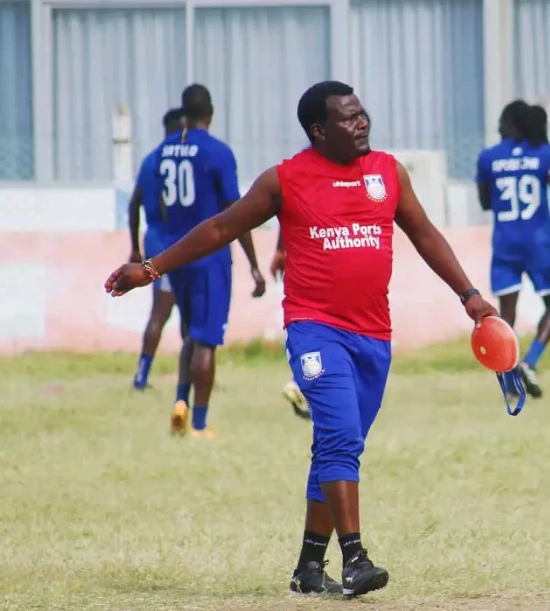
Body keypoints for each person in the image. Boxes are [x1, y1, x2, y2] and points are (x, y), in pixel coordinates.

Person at [104, 80, 498, 597]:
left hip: (374, 335)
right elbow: (221, 228)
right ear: (319, 130)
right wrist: (151, 268)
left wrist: (468, 294)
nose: (361, 123)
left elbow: (425, 233)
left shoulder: (387, 173)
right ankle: (355, 558)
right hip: (315, 330)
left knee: (339, 447)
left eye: (362, 114)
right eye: (347, 117)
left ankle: (309, 570)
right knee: (338, 439)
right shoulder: (284, 180)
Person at [158, 84, 266, 437]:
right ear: (211, 113)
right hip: (209, 257)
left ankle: (180, 402)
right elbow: (236, 213)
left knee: (191, 332)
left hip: (176, 254)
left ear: (184, 112)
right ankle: (200, 424)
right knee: (207, 340)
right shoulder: (218, 152)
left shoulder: (164, 151)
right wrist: (252, 263)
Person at [476, 102, 550, 398]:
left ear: (509, 123)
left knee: (506, 316)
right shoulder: (545, 153)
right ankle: (530, 362)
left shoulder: (488, 157)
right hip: (538, 243)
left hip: (505, 243)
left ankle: (508, 380)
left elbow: (485, 202)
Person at [129, 107, 185, 390]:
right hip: (175, 244)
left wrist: (134, 248)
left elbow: (133, 202)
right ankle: (185, 376)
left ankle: (143, 374)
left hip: (153, 241)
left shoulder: (151, 159)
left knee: (161, 311)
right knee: (175, 311)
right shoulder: (181, 160)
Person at [271, 228, 310, 419]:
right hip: (335, 255)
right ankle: (300, 381)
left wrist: (280, 249)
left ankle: (299, 378)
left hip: (303, 258)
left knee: (306, 320)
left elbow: (286, 203)